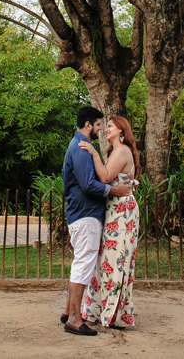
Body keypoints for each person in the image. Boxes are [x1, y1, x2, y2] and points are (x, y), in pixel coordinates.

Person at [61, 106, 131, 337]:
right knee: (83, 263)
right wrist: (114, 190)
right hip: (86, 214)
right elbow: (88, 185)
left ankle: (68, 311)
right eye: (99, 125)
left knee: (80, 262)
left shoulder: (81, 146)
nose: (101, 129)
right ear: (88, 125)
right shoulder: (81, 149)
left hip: (83, 214)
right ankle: (74, 318)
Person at [76, 114, 140, 330]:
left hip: (122, 213)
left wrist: (93, 152)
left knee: (116, 261)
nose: (106, 129)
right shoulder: (115, 151)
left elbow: (104, 177)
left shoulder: (121, 151)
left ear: (121, 131)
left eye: (110, 126)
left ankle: (113, 314)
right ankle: (99, 311)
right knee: (106, 261)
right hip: (114, 211)